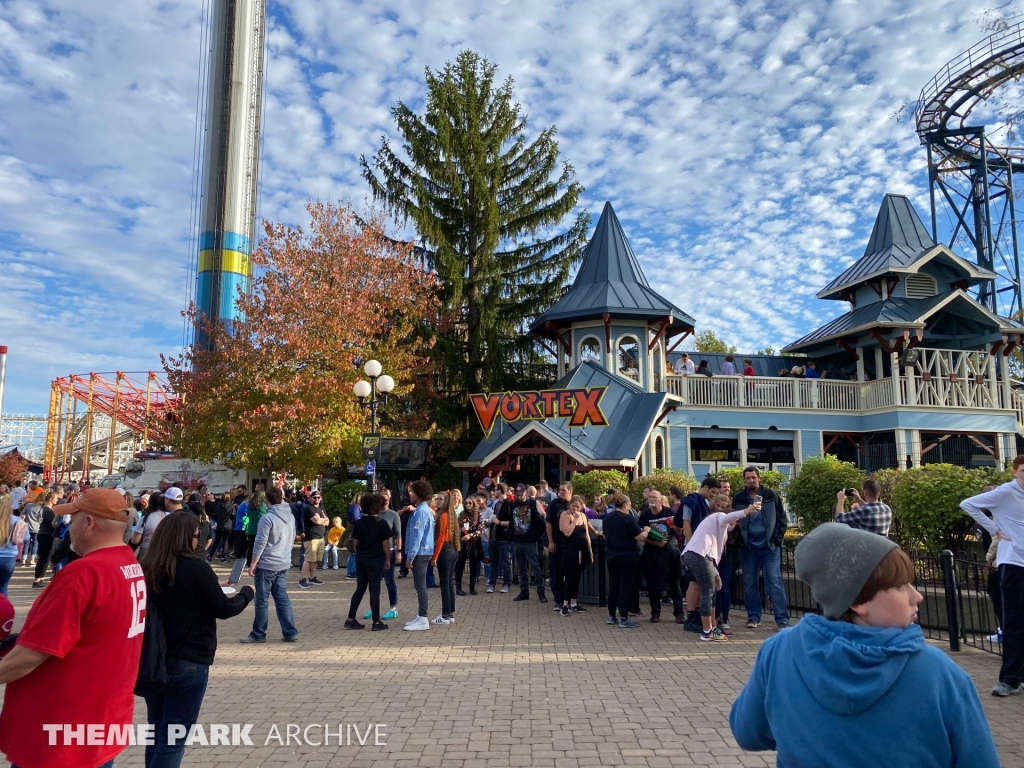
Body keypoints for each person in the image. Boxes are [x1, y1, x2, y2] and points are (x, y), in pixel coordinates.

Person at [730, 523, 1000, 767]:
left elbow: (748, 732)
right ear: (858, 600)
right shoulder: (939, 673)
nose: (917, 596)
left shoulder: (779, 651)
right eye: (900, 586)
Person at [0, 488, 146, 768]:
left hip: (61, 730)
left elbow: (34, 653)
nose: (70, 527)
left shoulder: (84, 573)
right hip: (101, 719)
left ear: (89, 523)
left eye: (74, 520)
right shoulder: (129, 563)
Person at [141, 511, 255, 768]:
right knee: (173, 738)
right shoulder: (195, 567)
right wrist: (246, 594)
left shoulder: (147, 567)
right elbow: (223, 609)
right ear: (185, 538)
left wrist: (214, 585)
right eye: (195, 536)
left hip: (153, 658)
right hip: (189, 659)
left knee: (157, 731)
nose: (198, 541)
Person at [960, 459, 1024, 697]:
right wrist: (993, 529)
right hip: (1014, 563)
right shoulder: (1006, 492)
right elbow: (968, 504)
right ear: (1015, 472)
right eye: (1023, 471)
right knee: (1014, 621)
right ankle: (1009, 679)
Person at [683, 493, 761, 641]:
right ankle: (707, 632)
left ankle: (712, 628)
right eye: (733, 519)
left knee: (711, 592)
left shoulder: (720, 529)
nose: (733, 523)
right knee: (708, 591)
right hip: (698, 555)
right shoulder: (718, 517)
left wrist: (716, 575)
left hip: (698, 556)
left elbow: (711, 555)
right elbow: (726, 518)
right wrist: (749, 510)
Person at [733, 467, 789, 629]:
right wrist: (739, 541)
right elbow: (734, 519)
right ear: (744, 480)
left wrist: (777, 539)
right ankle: (753, 617)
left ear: (759, 478)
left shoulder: (770, 495)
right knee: (750, 584)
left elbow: (781, 518)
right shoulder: (739, 498)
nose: (751, 481)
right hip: (749, 547)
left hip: (769, 546)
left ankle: (782, 619)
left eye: (753, 478)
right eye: (748, 478)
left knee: (775, 582)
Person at [241, 486, 298, 643]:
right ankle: (290, 631)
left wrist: (253, 563)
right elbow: (292, 537)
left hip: (267, 564)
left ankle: (258, 634)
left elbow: (260, 542)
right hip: (283, 563)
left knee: (262, 600)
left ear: (267, 500)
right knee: (282, 598)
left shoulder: (267, 518)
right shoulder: (290, 516)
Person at [676, 477, 721, 630]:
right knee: (695, 583)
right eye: (713, 492)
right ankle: (691, 617)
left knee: (698, 583)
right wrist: (693, 543)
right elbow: (686, 524)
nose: (713, 495)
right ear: (706, 487)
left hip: (700, 547)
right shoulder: (691, 501)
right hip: (695, 548)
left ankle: (698, 617)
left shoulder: (704, 502)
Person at [345, 493, 393, 631]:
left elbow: (355, 542)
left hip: (361, 558)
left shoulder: (359, 522)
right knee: (374, 590)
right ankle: (376, 622)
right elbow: (386, 544)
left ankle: (351, 618)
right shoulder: (381, 523)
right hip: (375, 559)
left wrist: (359, 552)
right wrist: (388, 559)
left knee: (360, 588)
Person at [603, 492, 650, 628]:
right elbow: (640, 537)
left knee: (614, 586)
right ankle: (623, 618)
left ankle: (612, 616)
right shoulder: (627, 518)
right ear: (626, 504)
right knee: (625, 587)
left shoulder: (608, 518)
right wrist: (646, 530)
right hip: (627, 555)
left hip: (611, 554)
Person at [638, 491, 683, 623]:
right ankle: (655, 614)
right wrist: (655, 541)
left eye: (654, 497)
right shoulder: (645, 515)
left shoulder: (669, 511)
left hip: (670, 550)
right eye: (650, 497)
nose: (651, 499)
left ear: (661, 500)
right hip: (652, 552)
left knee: (675, 583)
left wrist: (676, 526)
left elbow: (680, 531)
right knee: (653, 584)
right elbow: (641, 536)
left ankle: (679, 614)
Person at [403, 480, 435, 631]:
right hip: (423, 552)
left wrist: (410, 557)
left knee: (420, 585)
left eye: (412, 491)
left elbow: (417, 536)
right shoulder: (422, 510)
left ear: (419, 493)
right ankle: (421, 616)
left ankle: (423, 617)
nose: (410, 494)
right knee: (419, 584)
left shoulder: (421, 512)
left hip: (421, 553)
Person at [510, 484, 548, 603]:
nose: (519, 497)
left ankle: (541, 593)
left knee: (535, 567)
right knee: (521, 568)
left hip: (530, 542)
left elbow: (543, 519)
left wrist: (537, 535)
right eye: (517, 495)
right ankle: (524, 592)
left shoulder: (533, 503)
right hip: (518, 541)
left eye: (521, 495)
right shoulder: (513, 504)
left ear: (526, 492)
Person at [558, 495, 595, 615]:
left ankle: (574, 603)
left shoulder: (583, 516)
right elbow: (567, 532)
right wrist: (574, 520)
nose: (575, 509)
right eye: (573, 506)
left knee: (577, 577)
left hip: (581, 551)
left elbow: (587, 535)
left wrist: (590, 552)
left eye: (578, 507)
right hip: (570, 551)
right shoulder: (565, 515)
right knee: (570, 577)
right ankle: (565, 604)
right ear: (570, 505)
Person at [430, 492, 460, 625]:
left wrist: (434, 557)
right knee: (449, 583)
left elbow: (441, 538)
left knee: (445, 584)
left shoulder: (443, 515)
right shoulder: (451, 515)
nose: (437, 501)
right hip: (453, 549)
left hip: (446, 550)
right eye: (437, 499)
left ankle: (445, 615)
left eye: (441, 499)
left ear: (446, 501)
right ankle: (450, 613)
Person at [544, 482, 573, 609]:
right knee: (556, 572)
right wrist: (550, 541)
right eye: (559, 490)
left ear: (570, 491)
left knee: (571, 572)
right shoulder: (554, 504)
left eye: (564, 490)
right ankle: (558, 600)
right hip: (556, 542)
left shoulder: (575, 504)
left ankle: (571, 599)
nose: (561, 492)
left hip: (571, 544)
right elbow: (549, 523)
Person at [299, 491, 329, 589]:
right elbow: (316, 521)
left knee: (316, 560)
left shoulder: (321, 508)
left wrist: (321, 520)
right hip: (311, 537)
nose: (316, 499)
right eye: (314, 497)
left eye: (318, 497)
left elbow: (327, 521)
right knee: (309, 559)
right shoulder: (309, 508)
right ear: (310, 498)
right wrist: (321, 520)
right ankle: (302, 579)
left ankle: (312, 577)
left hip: (320, 537)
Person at [455, 494, 484, 596]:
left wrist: (471, 535)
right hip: (463, 542)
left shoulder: (478, 515)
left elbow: (481, 529)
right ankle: (458, 587)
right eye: (466, 503)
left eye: (470, 503)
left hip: (474, 542)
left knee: (473, 565)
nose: (468, 505)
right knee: (460, 564)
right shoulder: (462, 514)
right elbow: (456, 528)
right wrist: (460, 530)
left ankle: (472, 587)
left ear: (474, 504)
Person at [487, 484, 513, 594]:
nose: (494, 492)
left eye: (496, 490)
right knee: (493, 562)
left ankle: (506, 583)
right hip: (493, 538)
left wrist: (499, 522)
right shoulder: (497, 503)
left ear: (500, 491)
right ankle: (492, 583)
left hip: (503, 539)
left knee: (506, 562)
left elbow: (512, 522)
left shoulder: (509, 504)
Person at [32, 490, 59, 588]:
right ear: (51, 499)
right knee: (45, 558)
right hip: (47, 534)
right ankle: (38, 579)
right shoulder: (48, 511)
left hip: (43, 533)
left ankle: (40, 578)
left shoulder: (43, 509)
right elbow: (54, 522)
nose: (57, 500)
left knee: (44, 557)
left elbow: (37, 517)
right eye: (56, 498)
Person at [243, 489, 267, 567]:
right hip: (259, 529)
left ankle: (249, 562)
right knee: (260, 547)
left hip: (250, 528)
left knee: (251, 547)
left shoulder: (250, 505)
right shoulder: (263, 505)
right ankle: (257, 563)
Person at [0, 497, 16, 596]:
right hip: (9, 557)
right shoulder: (16, 520)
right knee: (3, 586)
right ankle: (3, 609)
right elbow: (26, 537)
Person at [345, 493, 363, 579]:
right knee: (354, 553)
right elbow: (356, 520)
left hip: (353, 532)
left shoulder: (355, 507)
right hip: (352, 533)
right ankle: (350, 572)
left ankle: (352, 571)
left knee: (354, 553)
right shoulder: (355, 507)